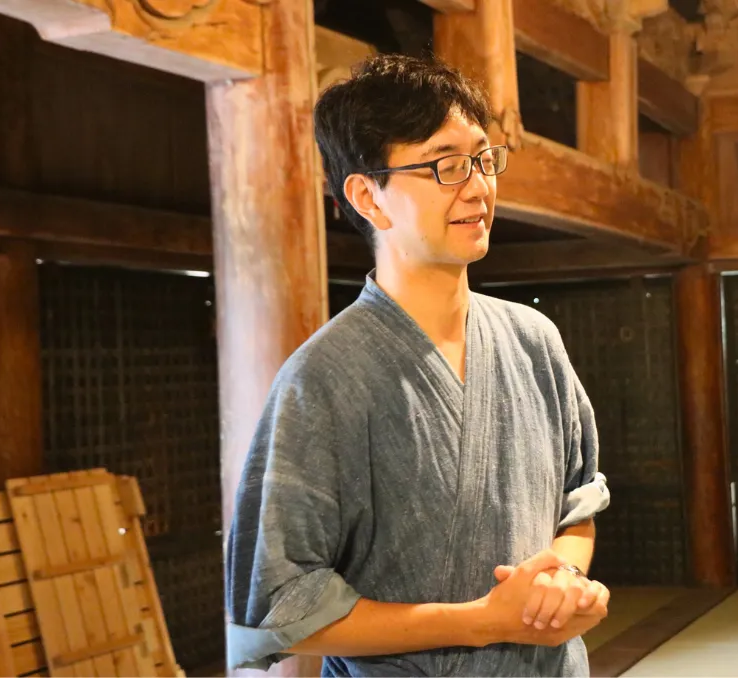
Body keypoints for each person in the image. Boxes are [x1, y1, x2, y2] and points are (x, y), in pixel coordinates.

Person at [223, 53, 612, 676]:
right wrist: (486, 620)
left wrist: (560, 583)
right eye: (446, 165)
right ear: (367, 196)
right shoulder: (323, 377)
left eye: (483, 159)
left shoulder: (534, 339)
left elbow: (576, 506)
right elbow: (282, 603)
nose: (479, 186)